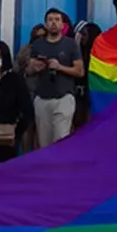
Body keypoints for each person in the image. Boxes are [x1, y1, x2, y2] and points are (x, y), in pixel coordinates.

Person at [26, 9, 84, 146]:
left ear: (63, 25)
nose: (54, 23)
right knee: (44, 142)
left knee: (61, 139)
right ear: (45, 24)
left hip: (64, 98)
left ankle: (61, 167)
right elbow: (28, 70)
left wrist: (60, 67)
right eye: (50, 20)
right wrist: (34, 67)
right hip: (42, 98)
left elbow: (80, 71)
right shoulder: (38, 44)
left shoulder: (70, 44)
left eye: (57, 20)